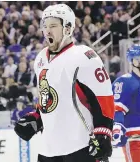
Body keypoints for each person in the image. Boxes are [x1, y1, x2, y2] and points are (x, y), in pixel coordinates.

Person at [14, 4, 114, 162]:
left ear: (68, 28)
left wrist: (103, 133)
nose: (47, 31)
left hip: (81, 146)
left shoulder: (84, 56)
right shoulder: (40, 58)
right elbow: (48, 98)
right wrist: (36, 118)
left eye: (53, 25)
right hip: (48, 149)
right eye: (45, 26)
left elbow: (104, 97)